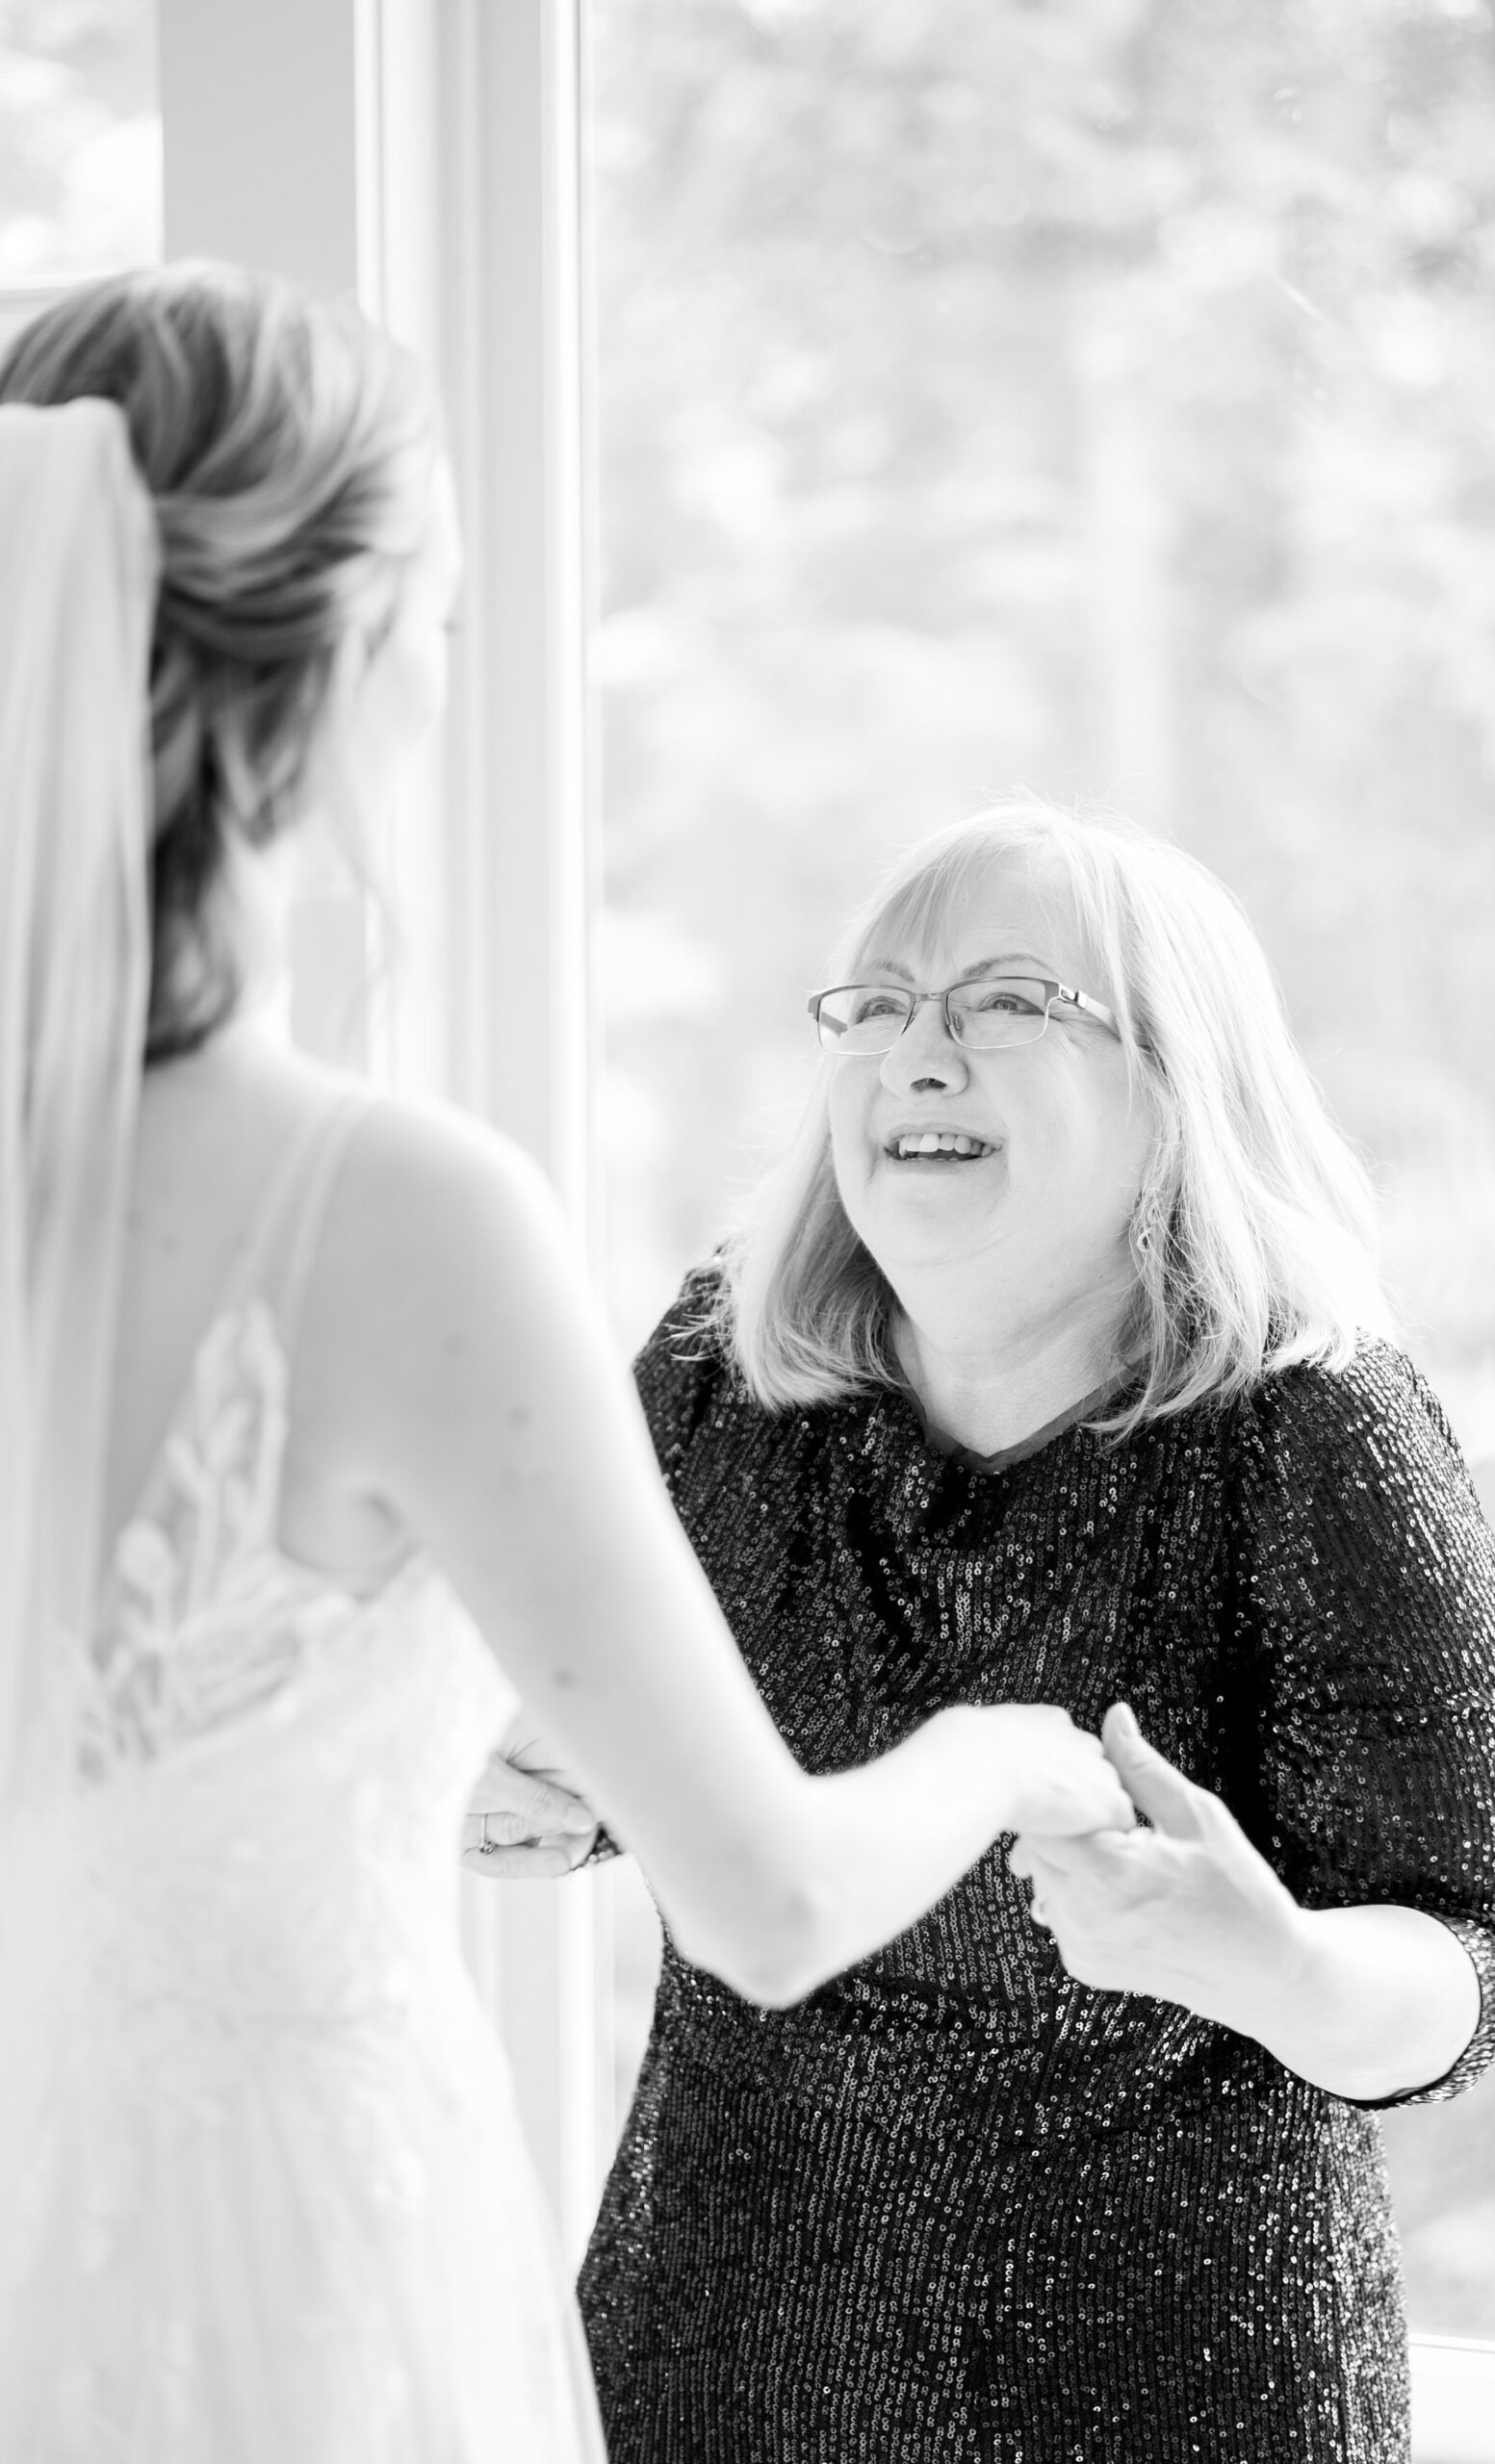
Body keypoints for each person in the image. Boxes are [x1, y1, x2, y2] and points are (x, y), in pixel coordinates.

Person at [0, 271, 1133, 2464]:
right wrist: (1004, 1751)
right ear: (326, 667)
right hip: (287, 2271)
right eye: (433, 612)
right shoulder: (393, 1211)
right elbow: (775, 1896)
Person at [487, 801, 1495, 2463]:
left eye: (1002, 1003)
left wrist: (1278, 1970)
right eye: (878, 1006)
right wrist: (536, 1788)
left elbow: (1474, 1961)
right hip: (720, 2348)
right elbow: (627, 1754)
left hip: (1176, 2388)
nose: (917, 1053)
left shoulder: (1318, 1430)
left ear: (1177, 1087)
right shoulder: (716, 1381)